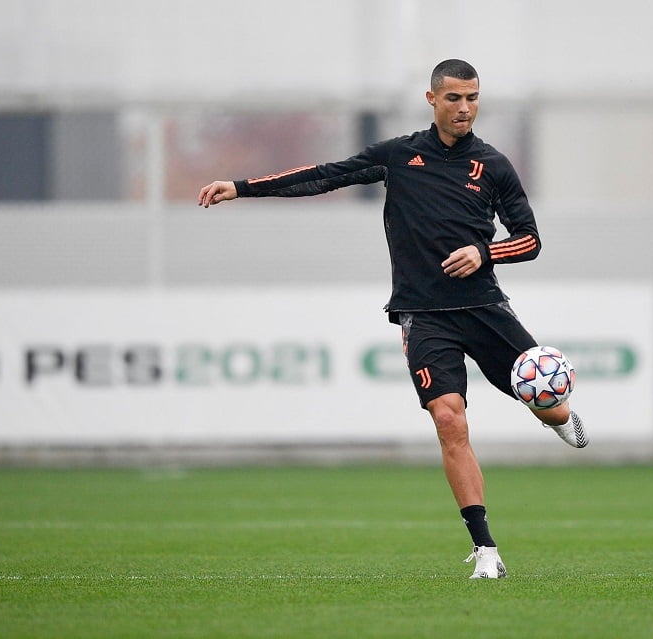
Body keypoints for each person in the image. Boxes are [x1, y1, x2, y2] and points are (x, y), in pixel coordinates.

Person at [198, 59, 589, 579]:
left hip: (484, 309)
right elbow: (324, 176)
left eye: (472, 97)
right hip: (423, 314)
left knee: (546, 400)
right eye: (454, 98)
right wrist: (242, 186)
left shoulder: (492, 166)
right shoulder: (400, 156)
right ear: (432, 100)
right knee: (449, 418)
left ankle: (560, 417)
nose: (465, 108)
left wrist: (483, 252)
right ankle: (487, 550)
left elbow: (531, 240)